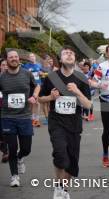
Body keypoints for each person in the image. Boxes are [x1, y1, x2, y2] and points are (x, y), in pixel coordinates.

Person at [39, 46, 92, 199]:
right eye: (65, 53)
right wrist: (50, 97)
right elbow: (40, 98)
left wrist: (77, 91)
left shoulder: (81, 78)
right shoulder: (51, 77)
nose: (69, 55)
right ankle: (58, 188)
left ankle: (64, 189)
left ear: (74, 59)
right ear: (60, 59)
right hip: (57, 122)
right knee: (60, 154)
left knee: (72, 161)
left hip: (74, 124)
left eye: (71, 53)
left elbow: (88, 105)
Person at [0, 50, 40, 187]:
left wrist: (34, 96)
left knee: (26, 149)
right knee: (11, 147)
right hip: (7, 117)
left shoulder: (27, 73)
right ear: (7, 60)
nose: (14, 59)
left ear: (19, 59)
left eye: (16, 57)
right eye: (11, 57)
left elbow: (37, 86)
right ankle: (14, 176)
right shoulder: (2, 77)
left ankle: (20, 157)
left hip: (24, 116)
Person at [23, 53, 44, 127]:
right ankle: (32, 119)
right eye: (30, 57)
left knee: (37, 102)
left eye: (33, 56)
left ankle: (37, 119)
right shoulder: (26, 66)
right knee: (31, 103)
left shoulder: (39, 65)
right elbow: (24, 74)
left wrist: (41, 73)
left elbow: (42, 73)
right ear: (28, 58)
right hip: (30, 85)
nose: (32, 58)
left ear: (35, 57)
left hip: (37, 85)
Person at [0, 58, 8, 163]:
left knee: (4, 130)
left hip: (8, 109)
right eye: (3, 65)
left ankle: (6, 152)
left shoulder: (15, 77)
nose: (5, 66)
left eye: (7, 65)